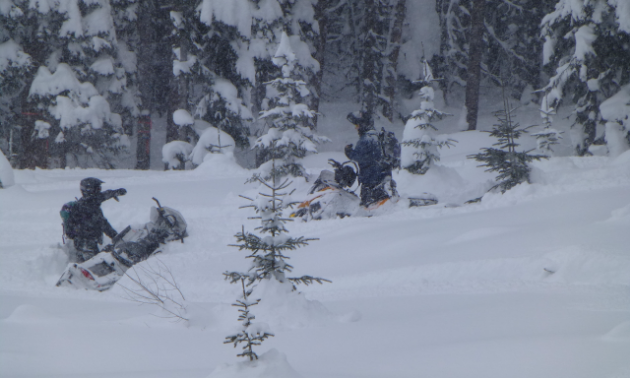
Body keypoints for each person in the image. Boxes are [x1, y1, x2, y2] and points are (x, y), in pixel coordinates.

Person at [66, 177, 127, 262]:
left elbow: (102, 196)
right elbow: (103, 223)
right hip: (86, 244)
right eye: (97, 189)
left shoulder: (89, 201)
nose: (99, 191)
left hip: (86, 242)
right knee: (93, 267)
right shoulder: (88, 207)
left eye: (100, 188)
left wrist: (114, 192)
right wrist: (115, 236)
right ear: (89, 190)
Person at [344, 111, 395, 207]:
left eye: (357, 125)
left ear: (364, 125)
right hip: (381, 178)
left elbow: (360, 157)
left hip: (370, 180)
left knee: (368, 208)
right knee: (381, 204)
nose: (356, 128)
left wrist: (349, 151)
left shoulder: (366, 139)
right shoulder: (377, 136)